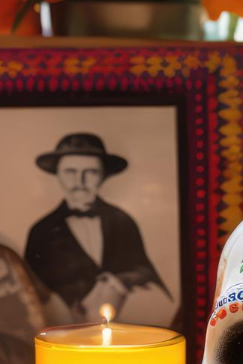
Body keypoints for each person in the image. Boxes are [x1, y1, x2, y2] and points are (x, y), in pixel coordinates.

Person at [22, 133, 175, 324]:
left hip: (120, 327)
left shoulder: (122, 220)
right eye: (70, 172)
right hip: (64, 330)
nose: (79, 181)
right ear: (58, 175)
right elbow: (30, 290)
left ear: (103, 176)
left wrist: (117, 282)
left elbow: (145, 271)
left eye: (91, 172)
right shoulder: (41, 230)